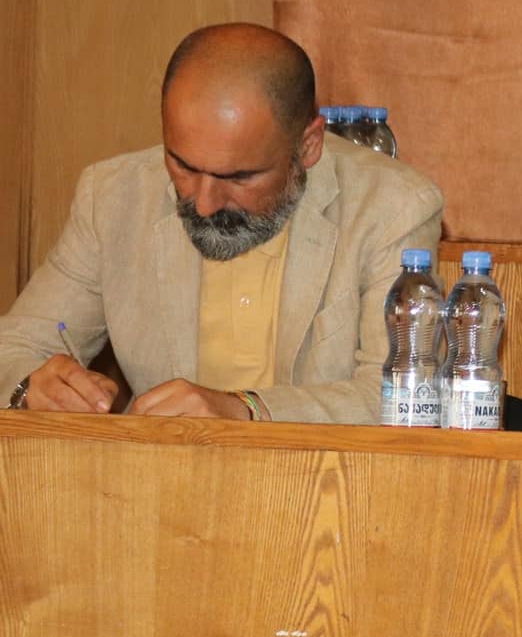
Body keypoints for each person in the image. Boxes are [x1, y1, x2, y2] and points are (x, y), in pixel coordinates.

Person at [0, 24, 444, 423]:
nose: (204, 203)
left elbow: (404, 395)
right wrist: (31, 386)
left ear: (308, 145)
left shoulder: (391, 207)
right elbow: (15, 347)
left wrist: (247, 410)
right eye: (183, 166)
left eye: (238, 177)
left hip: (324, 481)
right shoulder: (113, 197)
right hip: (159, 477)